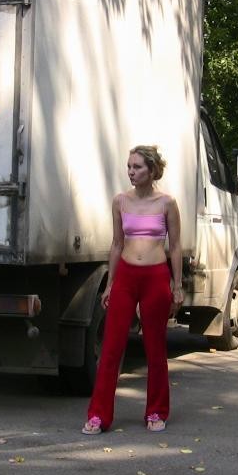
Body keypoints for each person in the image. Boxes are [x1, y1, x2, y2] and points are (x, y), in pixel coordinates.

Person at [82, 145, 183, 435]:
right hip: (125, 276)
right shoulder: (120, 201)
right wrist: (110, 284)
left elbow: (175, 247)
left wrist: (177, 285)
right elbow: (116, 244)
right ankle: (98, 415)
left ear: (152, 171)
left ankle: (156, 411)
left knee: (154, 348)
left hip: (155, 277)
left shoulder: (167, 203)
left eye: (137, 167)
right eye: (129, 167)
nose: (131, 172)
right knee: (112, 348)